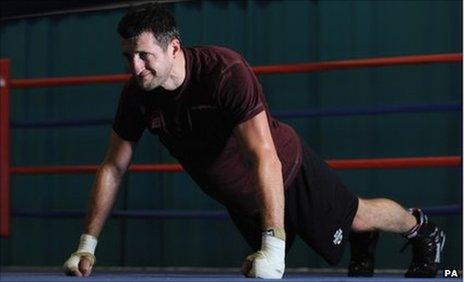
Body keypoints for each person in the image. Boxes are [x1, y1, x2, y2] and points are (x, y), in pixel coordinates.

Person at [63, 3, 445, 279]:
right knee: (260, 270)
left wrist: (274, 242)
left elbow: (264, 155)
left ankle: (420, 226)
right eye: (127, 56)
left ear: (174, 48)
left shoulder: (223, 72)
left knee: (357, 214)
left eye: (144, 56)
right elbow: (113, 167)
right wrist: (87, 245)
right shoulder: (137, 95)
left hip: (287, 173)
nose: (135, 68)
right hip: (240, 196)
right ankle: (361, 238)